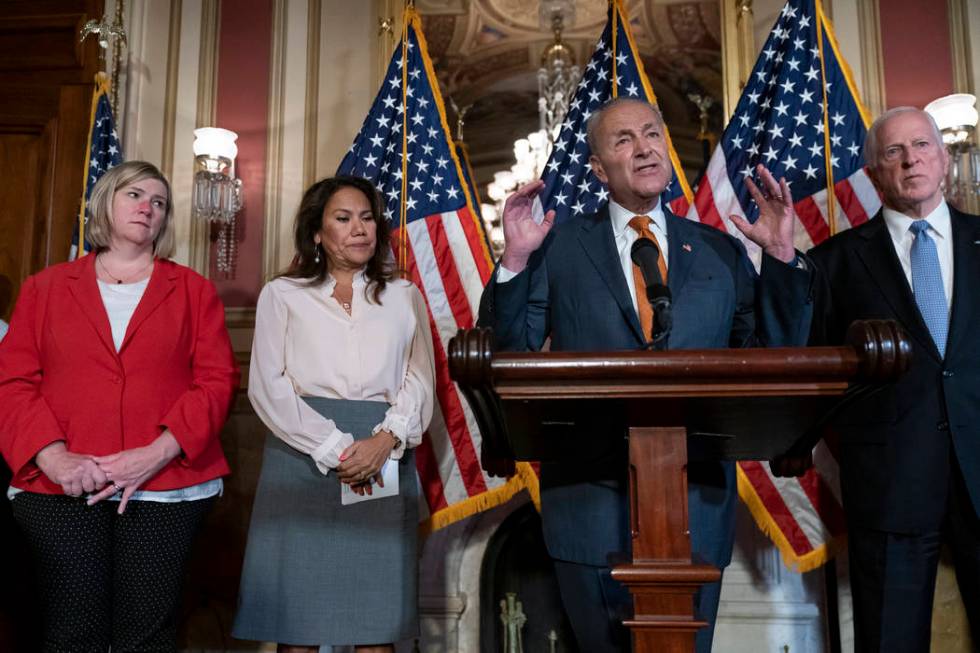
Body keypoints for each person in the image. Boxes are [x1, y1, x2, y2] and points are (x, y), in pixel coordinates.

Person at [478, 97, 813, 653]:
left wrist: (779, 257)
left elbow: (771, 361)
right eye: (623, 140)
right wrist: (513, 262)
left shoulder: (718, 250)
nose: (644, 148)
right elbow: (508, 356)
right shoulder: (557, 248)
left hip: (695, 504)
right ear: (596, 166)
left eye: (651, 134)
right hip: (586, 501)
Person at [0, 160, 240, 652]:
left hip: (165, 486)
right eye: (135, 195)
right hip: (60, 484)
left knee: (147, 635)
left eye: (159, 202)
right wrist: (54, 456)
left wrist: (156, 453)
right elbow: (13, 382)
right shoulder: (43, 288)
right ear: (104, 203)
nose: (147, 207)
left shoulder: (194, 291)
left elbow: (217, 382)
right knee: (72, 631)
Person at [233, 176, 435, 653]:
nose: (359, 228)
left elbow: (420, 379)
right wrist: (338, 448)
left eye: (366, 218)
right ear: (318, 234)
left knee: (376, 627)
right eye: (343, 219)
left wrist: (385, 440)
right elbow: (268, 386)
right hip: (300, 458)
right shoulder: (283, 294)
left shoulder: (403, 296)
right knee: (298, 630)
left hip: (384, 455)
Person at [803, 107, 980, 652]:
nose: (911, 161)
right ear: (875, 173)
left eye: (922, 147)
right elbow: (812, 371)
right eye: (894, 153)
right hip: (889, 481)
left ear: (944, 158)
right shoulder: (834, 263)